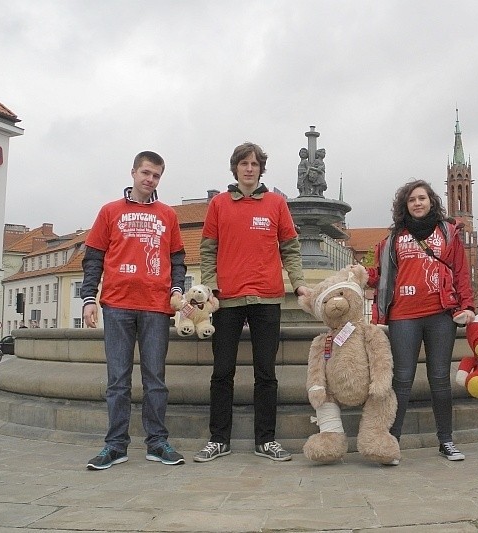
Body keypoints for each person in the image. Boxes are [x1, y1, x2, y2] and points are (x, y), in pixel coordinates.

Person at [194, 142, 311, 463]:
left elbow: (290, 247)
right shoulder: (218, 204)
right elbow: (207, 249)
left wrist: (299, 284)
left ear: (261, 169)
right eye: (244, 163)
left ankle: (266, 440)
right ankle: (219, 439)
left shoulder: (276, 204)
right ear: (235, 168)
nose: (249, 168)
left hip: (267, 297)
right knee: (221, 372)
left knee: (266, 374)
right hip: (226, 300)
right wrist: (210, 287)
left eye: (255, 164)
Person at [81, 151, 187, 470]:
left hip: (156, 307)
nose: (149, 179)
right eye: (145, 172)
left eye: (155, 175)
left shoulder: (168, 215)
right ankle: (115, 445)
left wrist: (177, 290)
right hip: (117, 304)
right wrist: (89, 298)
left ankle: (157, 443)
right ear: (133, 173)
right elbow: (94, 257)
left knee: (155, 379)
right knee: (118, 381)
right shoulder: (110, 212)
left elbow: (178, 259)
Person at [368, 179, 476, 462]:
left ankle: (446, 440)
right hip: (403, 315)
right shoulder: (392, 239)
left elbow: (461, 273)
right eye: (412, 200)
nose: (417, 203)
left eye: (422, 198)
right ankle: (392, 442)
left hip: (440, 314)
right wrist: (356, 276)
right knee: (401, 380)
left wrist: (467, 306)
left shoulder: (448, 233)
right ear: (405, 206)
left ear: (431, 201)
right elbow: (379, 275)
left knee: (439, 379)